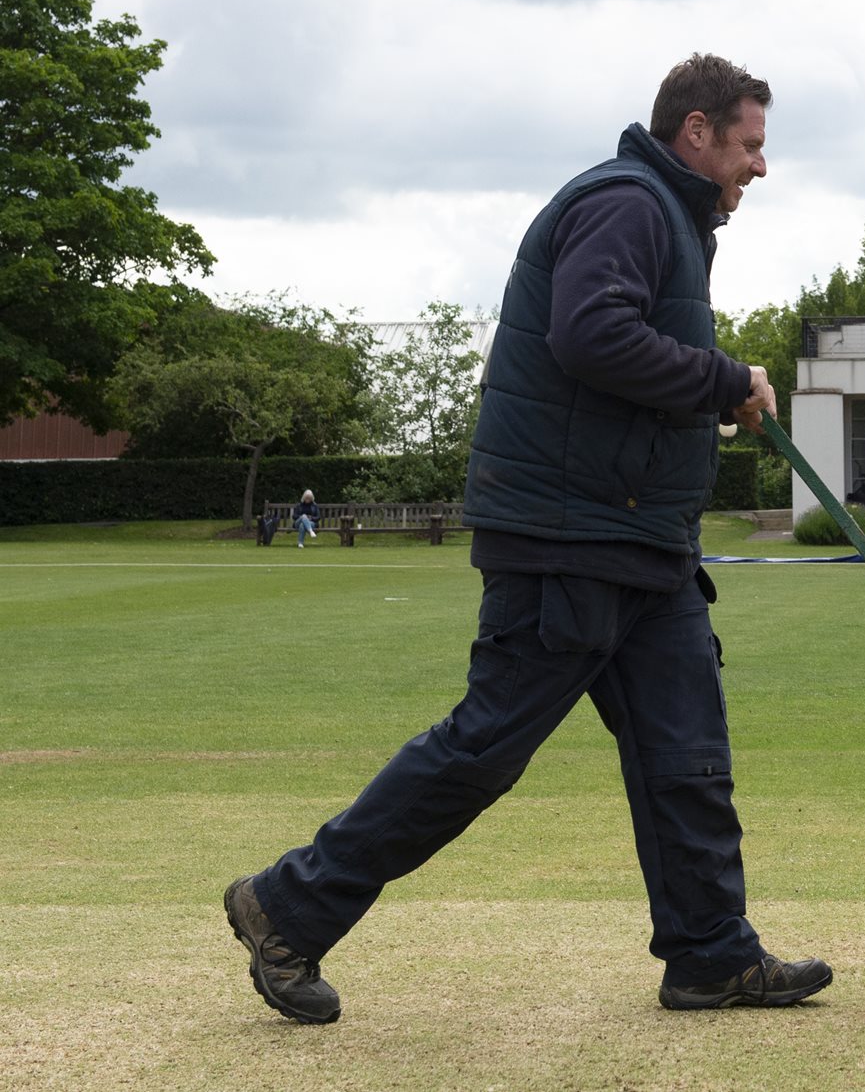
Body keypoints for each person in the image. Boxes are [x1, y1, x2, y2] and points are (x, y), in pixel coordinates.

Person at [223, 54, 829, 1024]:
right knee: (483, 751)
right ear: (699, 132)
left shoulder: (668, 218)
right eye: (751, 145)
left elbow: (622, 362)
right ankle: (287, 905)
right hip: (564, 542)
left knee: (688, 752)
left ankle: (712, 954)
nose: (760, 166)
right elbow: (590, 336)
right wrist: (722, 379)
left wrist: (709, 393)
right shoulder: (629, 204)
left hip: (639, 547)